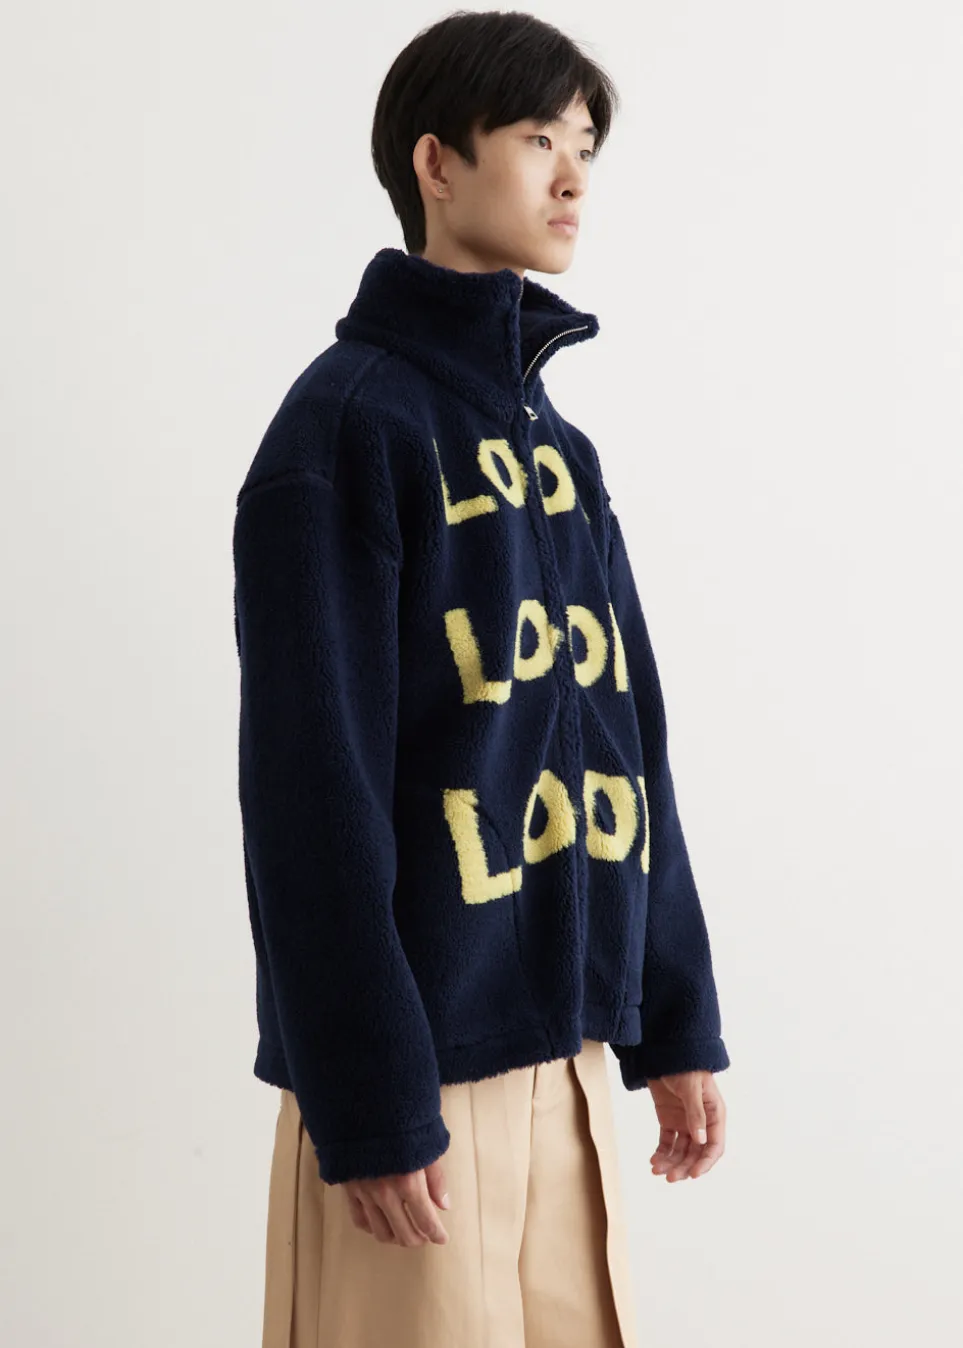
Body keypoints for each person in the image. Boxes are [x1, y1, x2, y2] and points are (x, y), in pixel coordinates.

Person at [232, 11, 731, 1347]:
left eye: (586, 148)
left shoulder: (558, 452)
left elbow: (626, 746)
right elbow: (309, 795)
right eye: (537, 139)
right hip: (417, 1084)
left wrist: (674, 1019)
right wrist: (367, 1095)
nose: (573, 177)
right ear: (436, 163)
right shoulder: (344, 431)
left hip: (569, 1061)